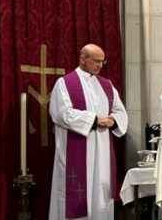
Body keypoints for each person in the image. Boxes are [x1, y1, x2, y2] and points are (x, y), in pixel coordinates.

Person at [49, 44, 128, 219]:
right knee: (75, 193)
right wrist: (94, 120)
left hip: (102, 152)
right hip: (75, 149)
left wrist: (113, 120)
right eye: (96, 61)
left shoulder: (107, 85)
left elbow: (120, 111)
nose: (100, 65)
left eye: (103, 61)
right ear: (83, 59)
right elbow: (61, 113)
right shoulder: (65, 83)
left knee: (100, 191)